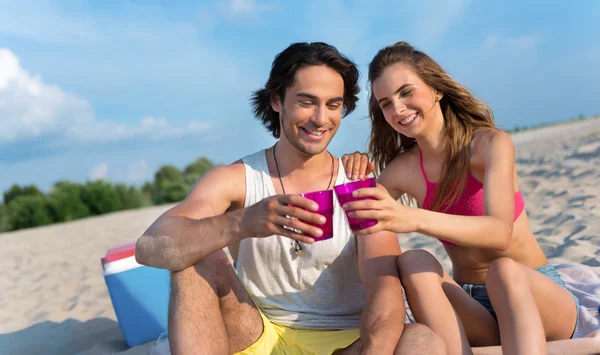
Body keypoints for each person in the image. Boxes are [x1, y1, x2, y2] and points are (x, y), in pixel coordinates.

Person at [135, 42, 445, 355]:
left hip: (344, 341)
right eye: (307, 102)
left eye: (333, 105)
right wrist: (244, 221)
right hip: (257, 334)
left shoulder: (357, 182)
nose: (321, 119)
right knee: (193, 256)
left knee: (422, 340)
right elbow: (150, 247)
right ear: (277, 100)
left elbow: (385, 291)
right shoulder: (236, 179)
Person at [340, 42, 579, 355]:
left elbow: (500, 233)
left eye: (406, 92)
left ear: (436, 89)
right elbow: (359, 220)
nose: (398, 109)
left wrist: (412, 218)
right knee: (414, 260)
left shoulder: (490, 145)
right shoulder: (404, 170)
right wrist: (353, 177)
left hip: (535, 295)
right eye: (386, 103)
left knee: (503, 270)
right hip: (472, 305)